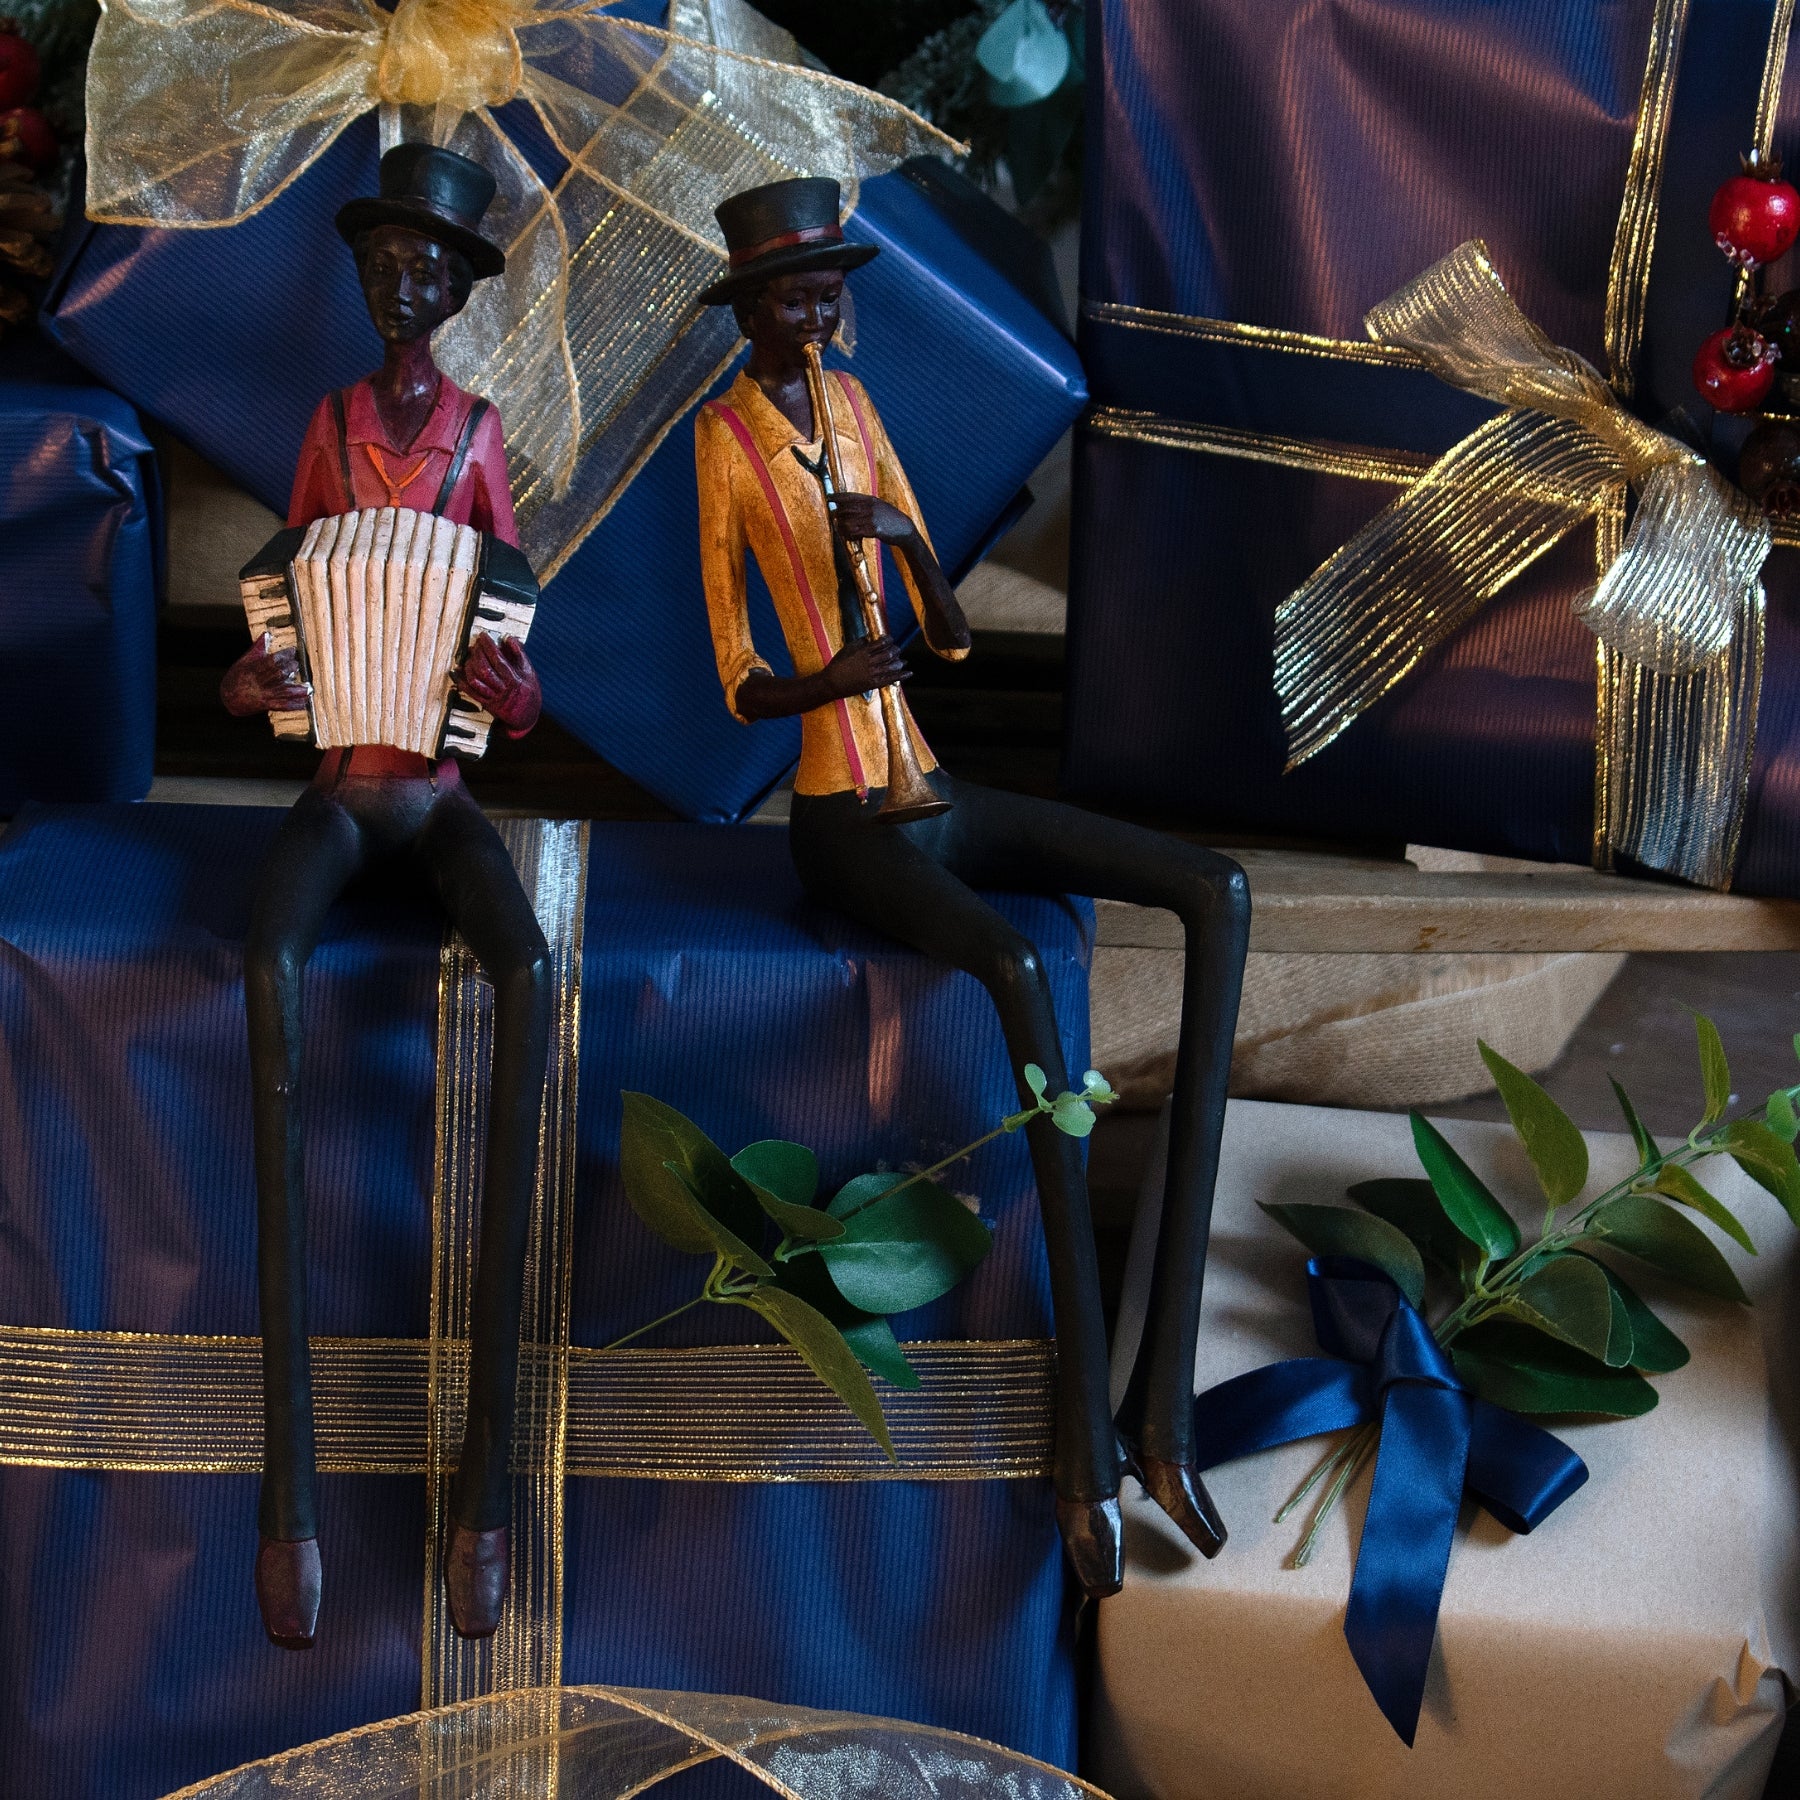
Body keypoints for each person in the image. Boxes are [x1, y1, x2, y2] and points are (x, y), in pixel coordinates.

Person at [694, 177, 1251, 1599]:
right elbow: (738, 675)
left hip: (933, 785)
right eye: (790, 297)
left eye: (827, 293)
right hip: (841, 814)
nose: (815, 316)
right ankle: (1081, 1454)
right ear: (749, 310)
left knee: (1215, 890)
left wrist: (900, 543)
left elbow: (946, 635)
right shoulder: (726, 441)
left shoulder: (858, 409)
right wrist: (830, 676)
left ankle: (1164, 1412)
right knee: (1012, 968)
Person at [220, 143, 548, 1649]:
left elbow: (514, 648)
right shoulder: (329, 428)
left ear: (461, 291)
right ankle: (287, 1497)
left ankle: (486, 1487)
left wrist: (505, 691)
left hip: (439, 791)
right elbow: (280, 605)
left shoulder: (479, 436)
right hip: (340, 787)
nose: (401, 288)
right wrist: (261, 682)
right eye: (381, 266)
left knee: (526, 971)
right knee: (268, 960)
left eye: (426, 269)